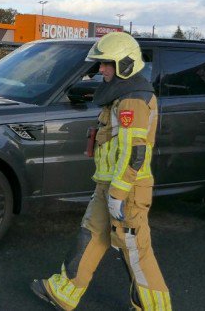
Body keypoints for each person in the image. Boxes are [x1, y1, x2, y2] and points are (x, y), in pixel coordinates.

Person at [31, 32, 171, 310]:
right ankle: (64, 292)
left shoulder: (133, 99)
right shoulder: (121, 95)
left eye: (107, 64)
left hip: (127, 191)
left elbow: (134, 153)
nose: (101, 69)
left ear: (125, 65)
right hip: (108, 186)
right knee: (92, 234)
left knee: (135, 250)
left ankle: (155, 307)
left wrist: (118, 194)